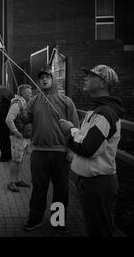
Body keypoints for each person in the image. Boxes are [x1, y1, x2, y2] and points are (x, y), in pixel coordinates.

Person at [59, 65, 124, 237]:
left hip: (98, 184)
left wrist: (68, 134)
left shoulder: (104, 113)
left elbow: (87, 148)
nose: (85, 78)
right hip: (94, 182)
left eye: (91, 76)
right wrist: (73, 129)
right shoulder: (99, 111)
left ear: (103, 83)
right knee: (97, 226)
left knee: (99, 230)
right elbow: (85, 138)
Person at [22, 68, 79, 233]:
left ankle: (58, 221)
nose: (44, 80)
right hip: (39, 151)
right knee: (39, 189)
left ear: (53, 80)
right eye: (41, 78)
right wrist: (21, 110)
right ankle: (35, 219)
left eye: (47, 77)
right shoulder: (33, 101)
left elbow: (75, 127)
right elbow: (26, 120)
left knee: (61, 190)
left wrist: (71, 150)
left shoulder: (66, 101)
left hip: (61, 152)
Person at [5, 84, 33, 192]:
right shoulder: (16, 104)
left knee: (20, 160)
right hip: (18, 137)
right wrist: (16, 132)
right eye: (28, 92)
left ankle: (18, 180)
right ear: (21, 93)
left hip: (24, 136)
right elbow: (8, 120)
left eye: (31, 92)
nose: (30, 94)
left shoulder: (24, 103)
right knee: (16, 160)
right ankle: (11, 182)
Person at [0, 87, 14, 162]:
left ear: (2, 95)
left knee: (2, 140)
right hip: (5, 124)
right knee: (6, 140)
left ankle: (4, 156)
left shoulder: (4, 104)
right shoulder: (8, 102)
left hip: (2, 124)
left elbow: (0, 112)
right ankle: (8, 155)